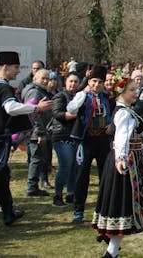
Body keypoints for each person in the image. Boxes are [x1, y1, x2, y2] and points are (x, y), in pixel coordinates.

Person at [0, 52, 50, 237]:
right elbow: (10, 108)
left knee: (2, 177)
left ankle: (8, 213)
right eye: (16, 67)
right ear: (5, 67)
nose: (18, 71)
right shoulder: (4, 88)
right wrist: (36, 107)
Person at [92, 78, 143, 258]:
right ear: (121, 92)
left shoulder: (128, 111)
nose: (135, 93)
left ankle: (111, 251)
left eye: (136, 90)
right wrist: (121, 159)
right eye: (131, 90)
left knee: (124, 206)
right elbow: (122, 138)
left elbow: (133, 140)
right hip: (125, 164)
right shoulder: (123, 113)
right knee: (122, 204)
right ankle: (111, 251)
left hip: (130, 159)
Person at [67, 65, 113, 223]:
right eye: (94, 81)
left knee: (105, 174)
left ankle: (103, 208)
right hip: (85, 140)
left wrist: (111, 125)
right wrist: (83, 93)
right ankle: (78, 210)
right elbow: (71, 109)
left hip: (102, 140)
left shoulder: (107, 98)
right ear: (89, 81)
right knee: (81, 175)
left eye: (100, 82)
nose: (96, 85)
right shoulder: (82, 95)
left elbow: (114, 115)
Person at [21, 68, 54, 196]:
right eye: (43, 78)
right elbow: (33, 113)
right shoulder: (35, 92)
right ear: (35, 78)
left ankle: (34, 185)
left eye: (47, 78)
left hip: (39, 131)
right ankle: (32, 187)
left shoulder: (41, 91)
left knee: (39, 159)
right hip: (36, 133)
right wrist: (40, 133)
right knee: (36, 159)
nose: (45, 81)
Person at [49, 72, 80, 207]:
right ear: (66, 82)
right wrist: (73, 115)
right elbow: (57, 113)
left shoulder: (79, 97)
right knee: (65, 166)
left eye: (75, 82)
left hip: (75, 136)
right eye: (71, 81)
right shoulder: (60, 96)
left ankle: (71, 194)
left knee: (74, 167)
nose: (73, 84)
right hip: (61, 136)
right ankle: (57, 195)